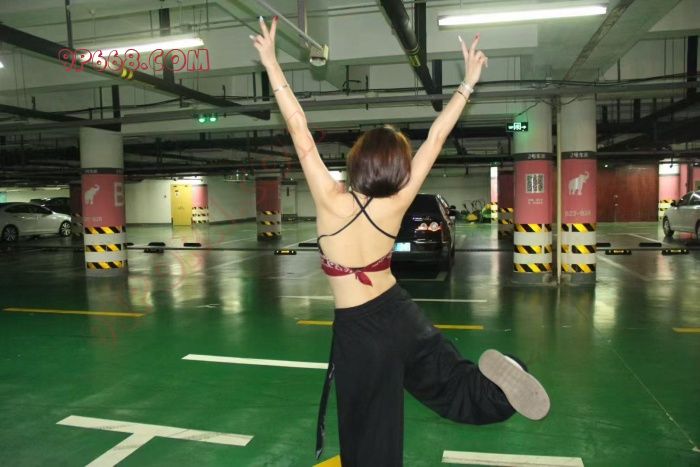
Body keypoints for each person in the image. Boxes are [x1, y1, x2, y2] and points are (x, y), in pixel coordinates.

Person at [250, 16, 550, 467]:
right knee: (449, 382)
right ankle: (499, 388)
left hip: (359, 332)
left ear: (358, 160)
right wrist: (468, 82)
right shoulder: (398, 200)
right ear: (396, 168)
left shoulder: (330, 198)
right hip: (399, 311)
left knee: (369, 426)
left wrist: (272, 63)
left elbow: (299, 131)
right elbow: (436, 138)